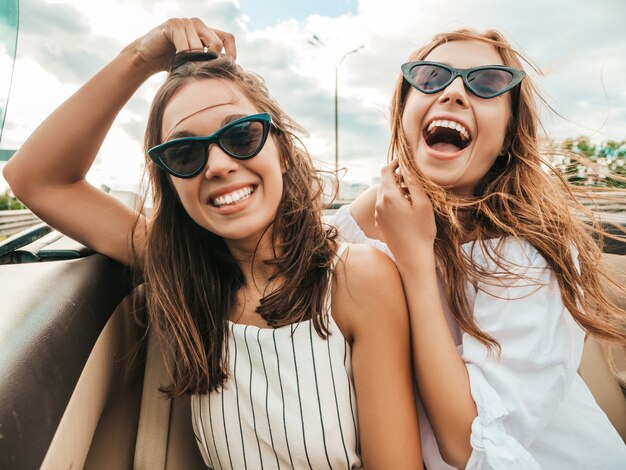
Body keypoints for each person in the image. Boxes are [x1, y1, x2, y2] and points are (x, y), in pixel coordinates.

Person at [3, 18, 423, 469]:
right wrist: (141, 58)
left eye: (241, 135)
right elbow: (36, 178)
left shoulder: (356, 279)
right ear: (171, 180)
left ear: (280, 151)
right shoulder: (177, 268)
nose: (218, 165)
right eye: (185, 153)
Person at [334, 29, 626, 469]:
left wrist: (415, 259)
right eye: (430, 77)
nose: (452, 92)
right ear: (403, 111)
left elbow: (469, 446)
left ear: (509, 134)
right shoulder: (359, 223)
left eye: (487, 83)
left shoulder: (531, 256)